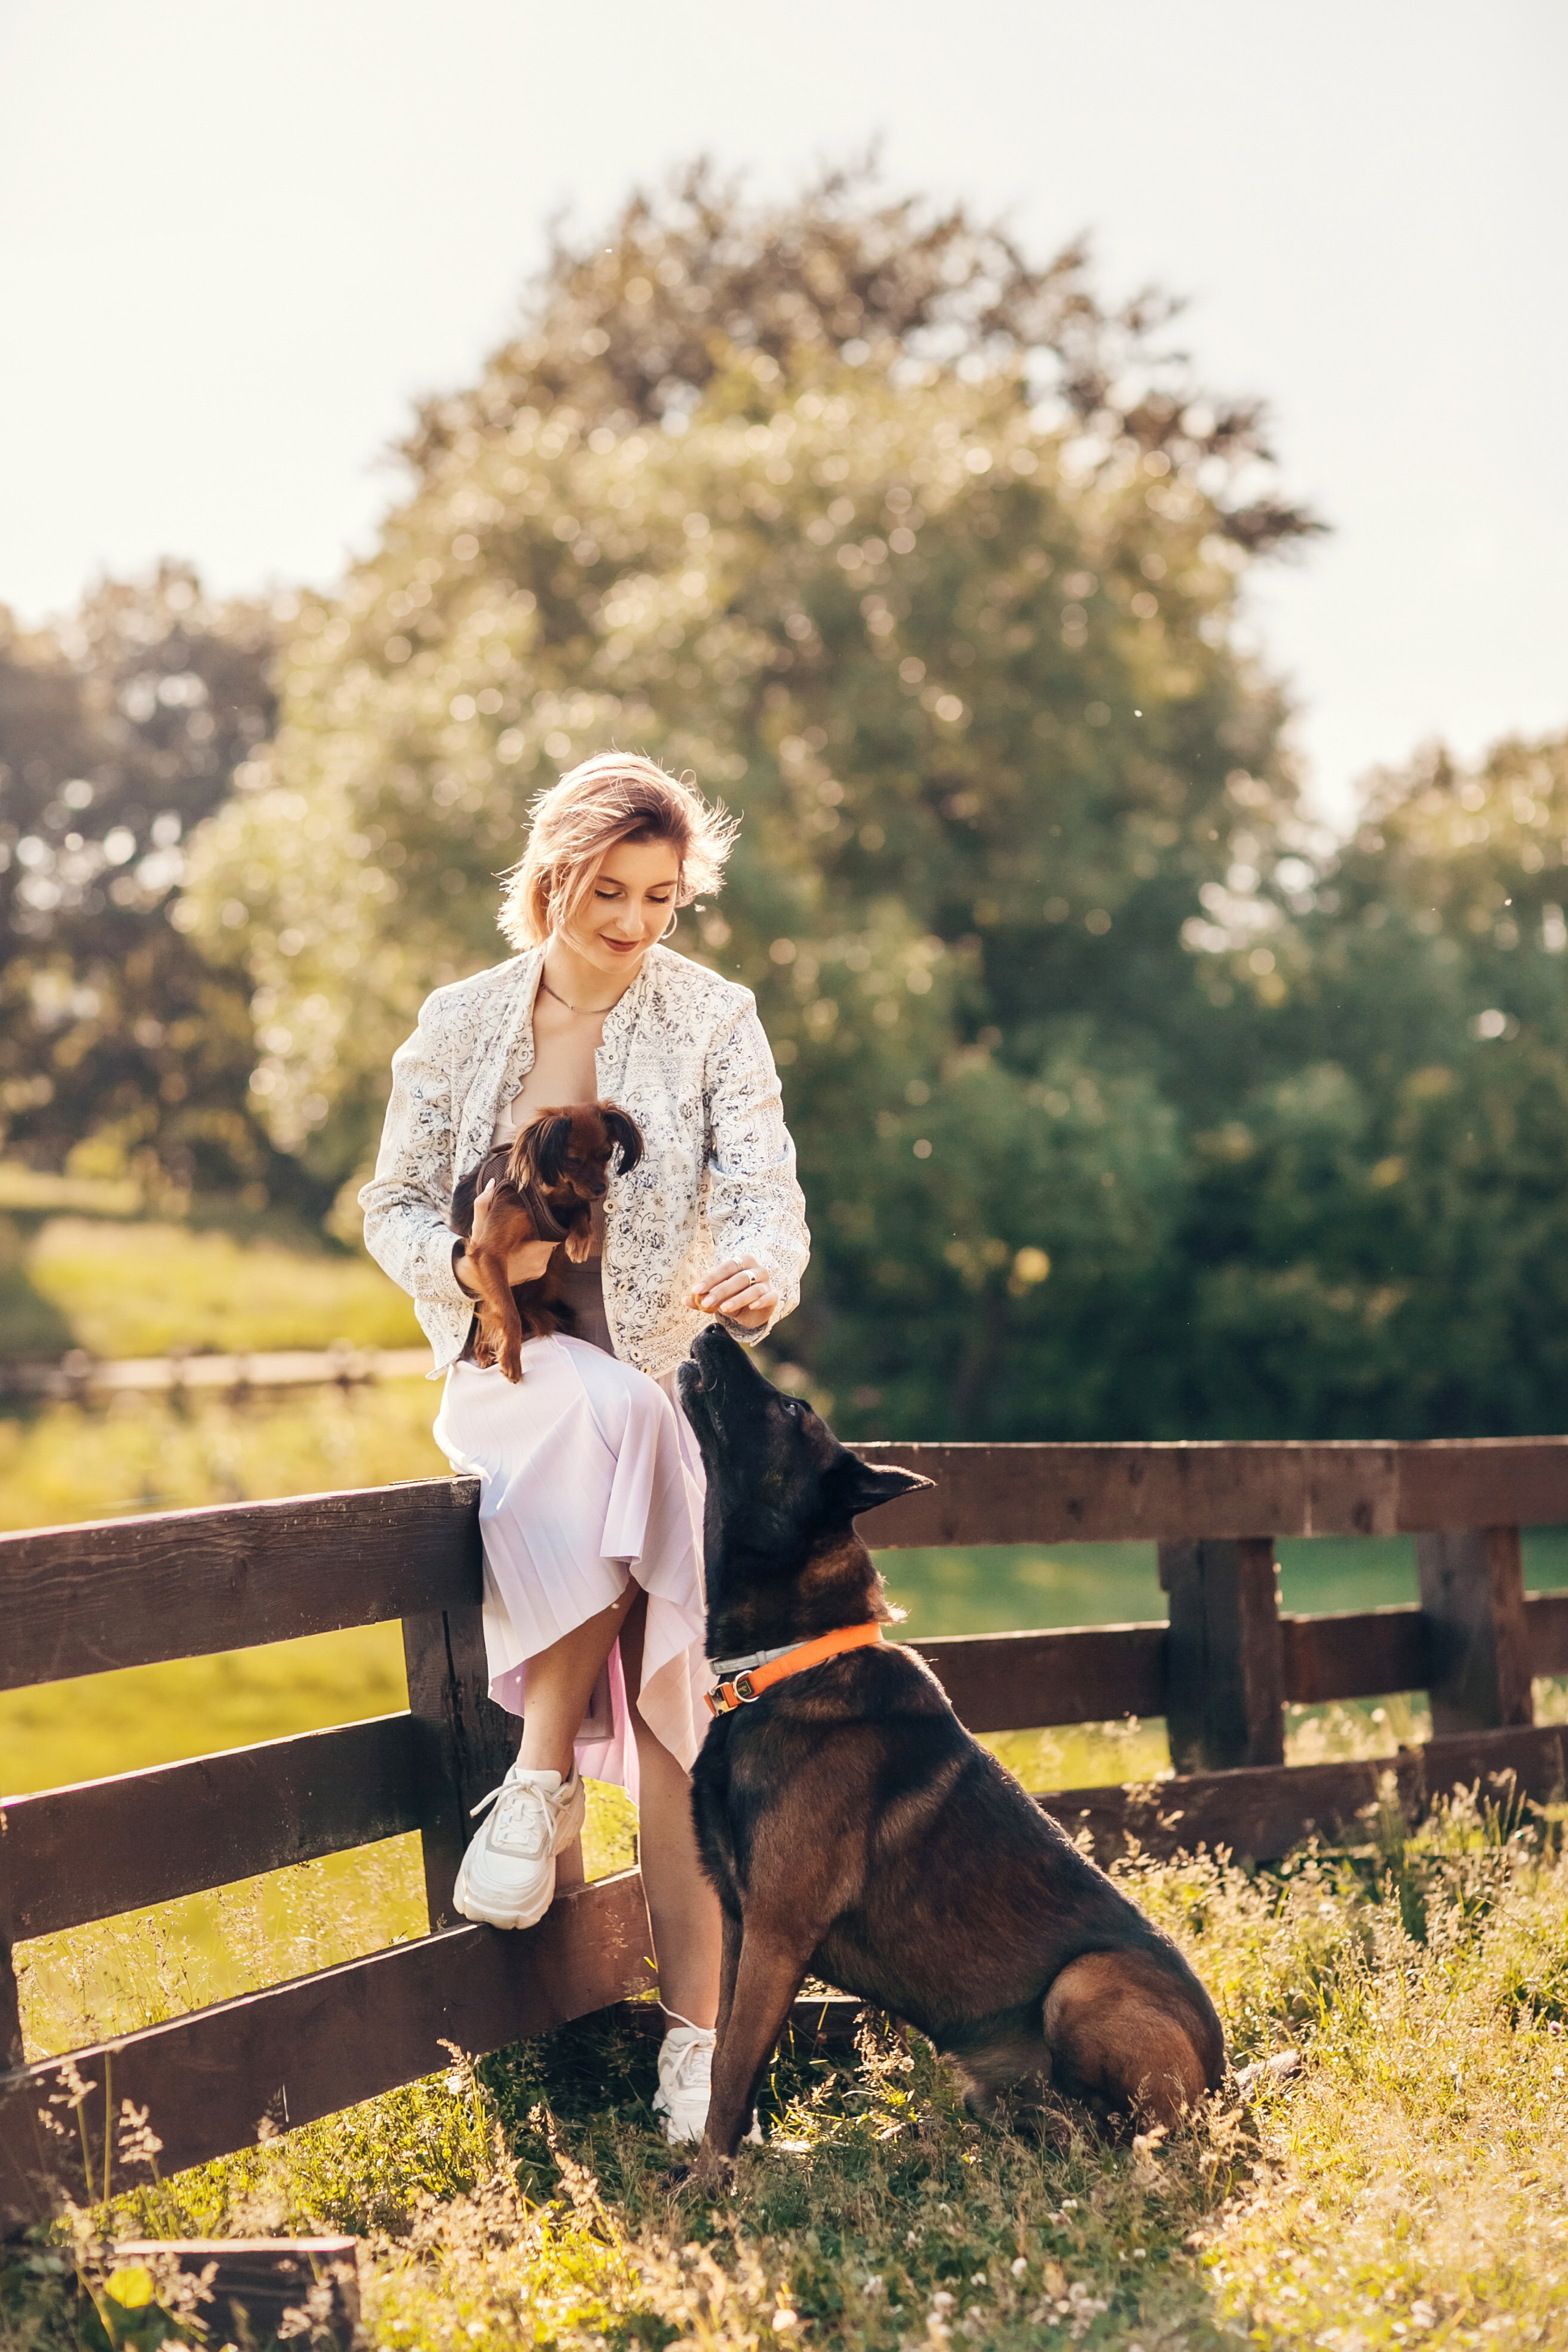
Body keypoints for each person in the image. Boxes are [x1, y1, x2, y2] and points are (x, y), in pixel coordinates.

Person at [360, 752, 810, 2143]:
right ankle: (542, 1773)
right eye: (607, 891)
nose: (630, 924)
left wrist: (758, 1270)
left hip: (650, 1394)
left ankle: (694, 2050)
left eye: (661, 898)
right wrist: (468, 1274)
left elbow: (765, 1190)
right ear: (550, 876)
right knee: (616, 1422)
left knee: (681, 1742)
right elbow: (387, 1200)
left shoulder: (713, 1016)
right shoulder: (459, 1022)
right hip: (506, 1376)